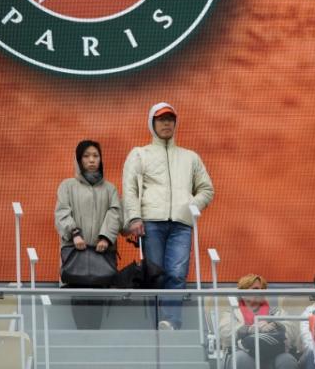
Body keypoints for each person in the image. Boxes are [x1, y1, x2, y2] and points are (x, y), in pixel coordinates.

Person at [122, 102, 214, 330]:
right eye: (161, 119)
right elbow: (130, 188)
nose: (166, 123)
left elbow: (207, 189)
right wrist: (134, 218)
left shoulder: (190, 157)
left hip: (181, 225)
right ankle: (156, 324)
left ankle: (170, 323)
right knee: (156, 275)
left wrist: (189, 206)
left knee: (177, 274)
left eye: (170, 119)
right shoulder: (140, 154)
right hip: (151, 222)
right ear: (152, 123)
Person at [54, 139, 122, 329]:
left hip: (101, 257)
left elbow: (115, 212)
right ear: (78, 160)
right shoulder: (67, 186)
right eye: (86, 156)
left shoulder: (110, 188)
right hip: (77, 257)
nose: (92, 160)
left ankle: (93, 341)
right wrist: (74, 233)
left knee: (98, 309)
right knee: (79, 304)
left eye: (95, 156)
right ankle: (82, 340)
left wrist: (105, 237)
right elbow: (62, 212)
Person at [218, 274, 299, 369]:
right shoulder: (232, 313)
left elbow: (292, 331)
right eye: (256, 289)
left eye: (262, 289)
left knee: (287, 360)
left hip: (273, 353)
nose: (260, 292)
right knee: (241, 358)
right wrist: (250, 329)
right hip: (243, 353)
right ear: (243, 294)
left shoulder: (276, 311)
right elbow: (225, 334)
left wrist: (274, 325)